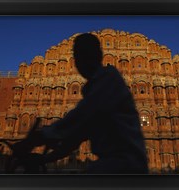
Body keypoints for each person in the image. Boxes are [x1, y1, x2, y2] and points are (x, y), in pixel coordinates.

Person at [33, 33, 149, 174]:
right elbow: (77, 136)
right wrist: (43, 159)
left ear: (99, 56)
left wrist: (43, 134)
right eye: (79, 57)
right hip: (115, 163)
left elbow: (81, 116)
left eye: (86, 55)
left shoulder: (109, 78)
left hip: (125, 165)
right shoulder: (93, 88)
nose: (82, 62)